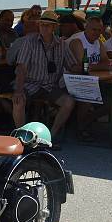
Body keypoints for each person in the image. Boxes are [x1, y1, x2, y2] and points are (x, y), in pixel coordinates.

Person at [12, 10, 76, 148]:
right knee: (18, 101)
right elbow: (21, 68)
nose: (44, 28)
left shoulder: (62, 44)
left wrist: (85, 65)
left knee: (69, 102)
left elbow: (73, 66)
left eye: (48, 25)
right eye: (42, 25)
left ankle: (50, 138)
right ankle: (23, 139)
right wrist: (18, 90)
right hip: (30, 83)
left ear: (54, 28)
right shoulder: (30, 41)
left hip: (50, 86)